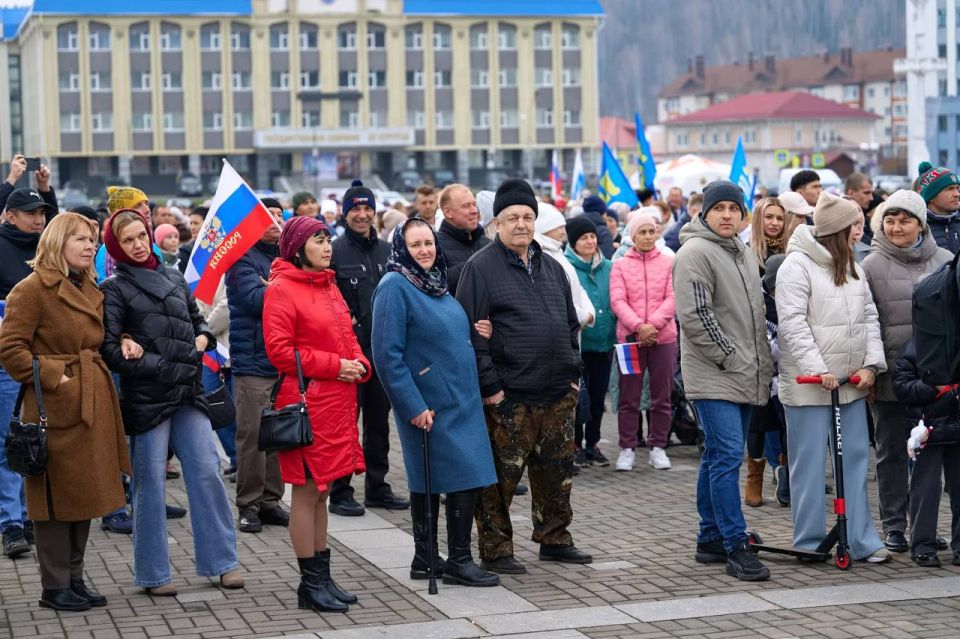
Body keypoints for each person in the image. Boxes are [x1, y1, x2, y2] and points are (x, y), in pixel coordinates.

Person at [100, 209, 243, 595]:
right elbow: (110, 349)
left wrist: (202, 339)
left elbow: (196, 321)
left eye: (139, 236)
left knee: (207, 470)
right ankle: (153, 573)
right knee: (149, 484)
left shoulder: (174, 275)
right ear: (116, 246)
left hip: (188, 392)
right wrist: (159, 365)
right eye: (127, 240)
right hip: (148, 398)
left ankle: (222, 561)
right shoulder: (113, 287)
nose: (137, 244)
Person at [457, 178, 591, 574]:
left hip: (557, 393)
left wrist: (573, 376)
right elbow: (469, 334)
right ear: (496, 224)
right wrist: (492, 389)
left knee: (556, 473)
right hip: (509, 396)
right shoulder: (479, 268)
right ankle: (496, 550)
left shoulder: (551, 266)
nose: (521, 224)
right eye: (512, 217)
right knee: (500, 479)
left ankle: (555, 538)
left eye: (528, 216)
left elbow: (570, 325)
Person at [0, 213, 130, 611]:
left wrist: (122, 339)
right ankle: (54, 585)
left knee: (85, 494)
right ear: (58, 242)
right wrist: (59, 377)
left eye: (92, 239)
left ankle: (74, 577)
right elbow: (10, 351)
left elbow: (96, 336)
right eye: (81, 239)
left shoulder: (88, 284)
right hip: (55, 405)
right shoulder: (33, 288)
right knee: (55, 500)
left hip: (93, 401)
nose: (91, 246)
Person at [371, 217, 499, 587]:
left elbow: (445, 329)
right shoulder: (395, 285)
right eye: (415, 245)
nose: (425, 250)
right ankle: (450, 559)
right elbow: (386, 355)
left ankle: (432, 558)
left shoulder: (436, 282)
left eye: (428, 243)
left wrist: (475, 329)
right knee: (444, 477)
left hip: (460, 399)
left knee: (464, 476)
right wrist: (412, 406)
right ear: (402, 249)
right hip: (429, 403)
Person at [776, 192, 890, 564]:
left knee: (856, 457)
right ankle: (809, 540)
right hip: (811, 385)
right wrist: (817, 370)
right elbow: (792, 324)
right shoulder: (797, 266)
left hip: (850, 383)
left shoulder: (853, 264)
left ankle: (860, 539)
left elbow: (869, 317)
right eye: (853, 226)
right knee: (808, 464)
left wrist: (871, 366)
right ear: (835, 231)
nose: (860, 232)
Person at [262, 215, 368, 612]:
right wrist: (335, 365)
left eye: (328, 239)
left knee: (321, 491)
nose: (327, 246)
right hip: (306, 404)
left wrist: (358, 362)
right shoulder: (282, 289)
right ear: (297, 247)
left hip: (335, 403)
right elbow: (279, 351)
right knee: (306, 493)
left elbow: (348, 336)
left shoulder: (329, 284)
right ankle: (310, 584)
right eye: (318, 240)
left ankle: (322, 578)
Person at [673, 180, 773, 581]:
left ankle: (710, 536)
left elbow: (754, 312)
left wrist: (756, 360)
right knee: (728, 457)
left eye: (734, 208)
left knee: (718, 456)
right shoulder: (695, 252)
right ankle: (735, 543)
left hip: (745, 372)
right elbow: (696, 317)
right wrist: (731, 357)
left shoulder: (743, 253)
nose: (727, 215)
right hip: (716, 374)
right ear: (705, 213)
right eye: (720, 209)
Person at [861, 190, 952, 553]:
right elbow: (864, 323)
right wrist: (872, 367)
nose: (896, 227)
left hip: (936, 378)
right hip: (890, 375)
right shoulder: (870, 264)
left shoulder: (945, 260)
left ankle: (925, 527)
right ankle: (894, 525)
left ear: (921, 223)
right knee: (891, 452)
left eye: (905, 220)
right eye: (890, 220)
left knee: (932, 453)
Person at [329, 180, 408, 516]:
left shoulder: (387, 251)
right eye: (355, 209)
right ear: (346, 214)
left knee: (379, 424)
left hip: (383, 353)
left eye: (367, 209)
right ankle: (341, 491)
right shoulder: (333, 250)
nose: (362, 215)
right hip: (349, 356)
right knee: (346, 424)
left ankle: (377, 487)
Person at [0, 186, 59, 558]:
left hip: (46, 361)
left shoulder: (47, 251)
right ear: (9, 215)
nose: (38, 218)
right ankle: (11, 523)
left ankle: (29, 515)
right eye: (30, 212)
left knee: (37, 440)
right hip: (7, 361)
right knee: (9, 441)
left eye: (41, 212)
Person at [225, 200, 288, 533]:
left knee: (276, 432)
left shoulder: (285, 255)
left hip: (281, 359)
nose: (276, 221)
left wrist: (276, 285)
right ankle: (248, 504)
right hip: (253, 360)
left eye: (280, 215)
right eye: (268, 216)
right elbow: (255, 300)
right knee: (252, 435)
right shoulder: (241, 258)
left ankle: (271, 501)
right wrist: (283, 288)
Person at [609, 210, 676, 471]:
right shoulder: (621, 265)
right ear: (632, 235)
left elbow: (673, 298)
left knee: (662, 395)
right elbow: (617, 301)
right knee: (629, 396)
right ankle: (627, 448)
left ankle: (658, 446)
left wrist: (653, 325)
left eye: (651, 231)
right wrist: (639, 327)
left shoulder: (669, 262)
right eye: (642, 232)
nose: (648, 236)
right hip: (630, 339)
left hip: (664, 338)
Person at [894, 339, 960, 565]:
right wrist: (933, 386)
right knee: (926, 488)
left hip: (956, 426)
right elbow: (902, 387)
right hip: (928, 429)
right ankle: (923, 545)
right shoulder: (914, 347)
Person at [565, 215, 615, 467]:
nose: (590, 241)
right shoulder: (567, 267)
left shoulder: (607, 267)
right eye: (583, 237)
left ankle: (592, 444)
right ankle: (574, 444)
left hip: (603, 345)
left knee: (597, 399)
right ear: (573, 242)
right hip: (579, 346)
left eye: (592, 236)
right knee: (577, 399)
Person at [535, 205, 595, 330]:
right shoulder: (541, 254)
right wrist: (583, 316)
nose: (563, 231)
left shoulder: (557, 251)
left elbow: (577, 287)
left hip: (574, 327)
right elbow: (554, 297)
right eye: (559, 227)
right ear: (547, 227)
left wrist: (590, 312)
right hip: (562, 328)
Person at [436, 184, 490, 295]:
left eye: (474, 205)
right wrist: (475, 265)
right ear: (448, 212)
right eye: (466, 206)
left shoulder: (488, 244)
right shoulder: (433, 246)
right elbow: (437, 285)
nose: (474, 210)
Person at [917, 162, 960, 254]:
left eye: (957, 188)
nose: (957, 194)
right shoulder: (918, 228)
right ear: (931, 196)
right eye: (950, 189)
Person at [748, 197, 786, 268]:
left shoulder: (790, 248)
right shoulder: (747, 251)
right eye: (769, 217)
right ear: (758, 219)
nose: (775, 223)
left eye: (780, 218)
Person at [845, 173, 875, 245]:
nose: (871, 198)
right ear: (851, 193)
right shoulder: (843, 217)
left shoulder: (864, 215)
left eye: (871, 193)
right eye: (866, 193)